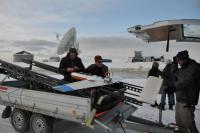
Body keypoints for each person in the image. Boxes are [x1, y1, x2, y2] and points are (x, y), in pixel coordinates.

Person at [174, 50, 200, 133]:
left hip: (187, 101)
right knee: (179, 123)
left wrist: (174, 87)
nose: (178, 63)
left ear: (185, 59)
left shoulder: (194, 67)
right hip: (180, 99)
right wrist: (174, 64)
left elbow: (188, 81)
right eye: (177, 61)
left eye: (179, 61)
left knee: (188, 124)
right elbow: (174, 73)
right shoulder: (183, 68)